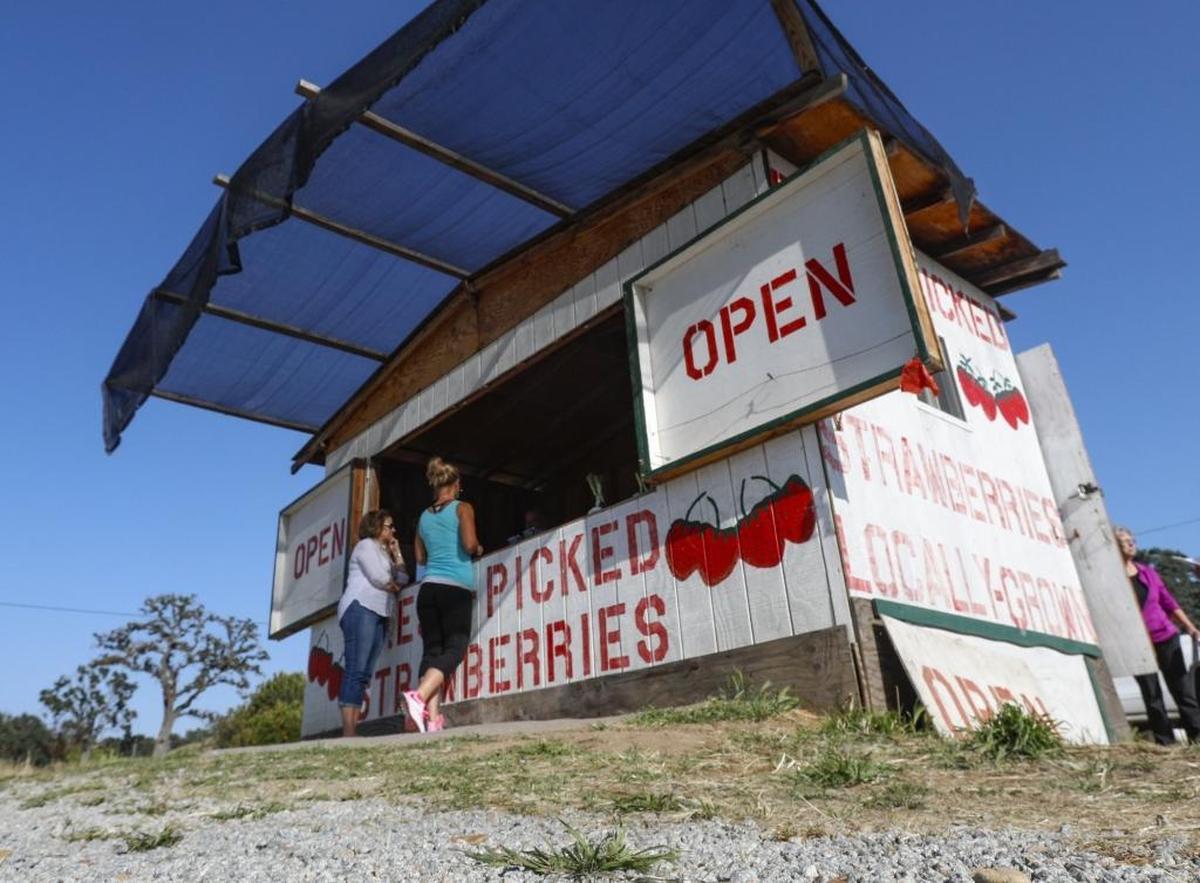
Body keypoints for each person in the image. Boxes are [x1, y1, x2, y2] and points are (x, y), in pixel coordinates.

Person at [403, 457, 483, 733]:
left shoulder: (424, 516)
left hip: (428, 589)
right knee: (455, 648)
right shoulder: (463, 508)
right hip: (455, 586)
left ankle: (431, 719)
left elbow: (419, 556)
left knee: (432, 651)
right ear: (456, 485)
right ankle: (419, 696)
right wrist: (479, 548)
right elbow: (470, 544)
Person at [1116, 526, 1200, 745]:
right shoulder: (1112, 580)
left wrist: (1189, 626)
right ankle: (1165, 742)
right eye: (1125, 541)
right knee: (1152, 695)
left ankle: (1197, 736)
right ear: (1114, 547)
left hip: (1165, 637)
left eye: (1131, 540)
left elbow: (1168, 602)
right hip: (1138, 643)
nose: (1131, 544)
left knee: (1183, 690)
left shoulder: (1147, 573)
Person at [336, 510, 407, 737]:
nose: (393, 530)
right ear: (376, 527)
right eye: (389, 526)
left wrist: (397, 554)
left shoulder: (384, 553)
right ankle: (348, 731)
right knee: (356, 667)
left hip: (378, 611)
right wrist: (393, 585)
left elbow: (403, 578)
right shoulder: (365, 545)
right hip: (361, 607)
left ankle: (352, 728)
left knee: (365, 672)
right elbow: (379, 578)